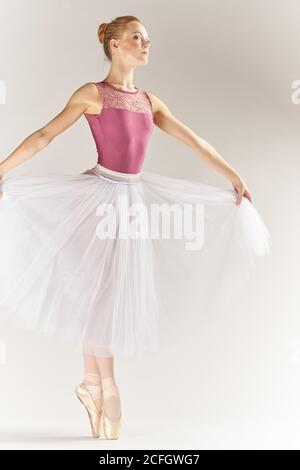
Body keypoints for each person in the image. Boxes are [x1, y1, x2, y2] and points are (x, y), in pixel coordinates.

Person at [0, 15, 271, 440]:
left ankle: (95, 384)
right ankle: (105, 385)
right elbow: (43, 135)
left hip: (133, 200)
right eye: (136, 38)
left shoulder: (150, 101)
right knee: (100, 290)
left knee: (107, 290)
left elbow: (196, 141)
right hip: (99, 198)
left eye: (147, 40)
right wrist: (2, 168)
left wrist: (233, 175)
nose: (145, 45)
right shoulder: (93, 94)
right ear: (113, 45)